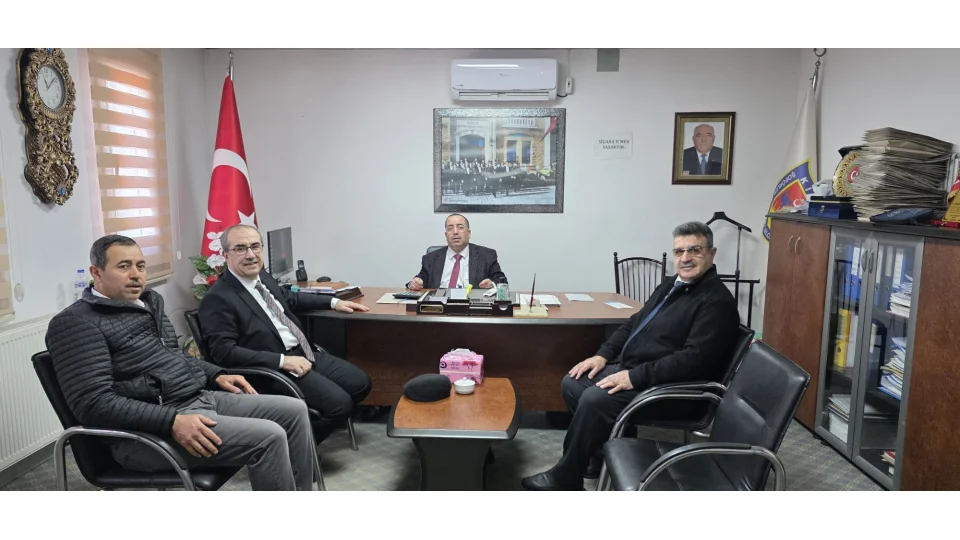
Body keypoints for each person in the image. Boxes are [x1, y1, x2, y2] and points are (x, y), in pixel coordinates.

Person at [45, 235, 316, 490]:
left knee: (293, 410)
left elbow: (175, 356)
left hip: (194, 399)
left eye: (140, 266)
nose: (136, 275)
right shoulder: (76, 323)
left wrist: (216, 374)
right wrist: (171, 421)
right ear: (96, 272)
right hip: (146, 434)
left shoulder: (148, 303)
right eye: (124, 266)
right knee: (269, 436)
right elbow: (93, 404)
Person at [521, 221, 740, 490]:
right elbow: (633, 322)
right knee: (573, 382)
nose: (685, 258)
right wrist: (602, 355)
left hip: (674, 389)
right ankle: (597, 458)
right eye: (679, 251)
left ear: (711, 253)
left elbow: (693, 361)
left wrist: (633, 377)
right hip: (639, 371)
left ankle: (566, 476)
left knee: (594, 399)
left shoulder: (716, 301)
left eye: (694, 250)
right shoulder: (672, 285)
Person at [198, 224, 372, 445]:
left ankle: (305, 425)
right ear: (225, 255)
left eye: (255, 246)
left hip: (303, 353)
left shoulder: (262, 276)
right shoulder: (219, 298)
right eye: (240, 248)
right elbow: (224, 353)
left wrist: (333, 302)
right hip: (273, 369)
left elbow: (289, 298)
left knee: (360, 383)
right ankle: (293, 452)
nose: (250, 255)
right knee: (339, 405)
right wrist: (282, 361)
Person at [407, 213, 508, 291]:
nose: (455, 232)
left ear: (469, 233)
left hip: (472, 306)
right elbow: (421, 279)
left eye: (460, 227)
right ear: (446, 235)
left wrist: (492, 284)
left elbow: (501, 280)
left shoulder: (486, 256)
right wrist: (414, 283)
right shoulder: (431, 258)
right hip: (439, 305)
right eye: (450, 228)